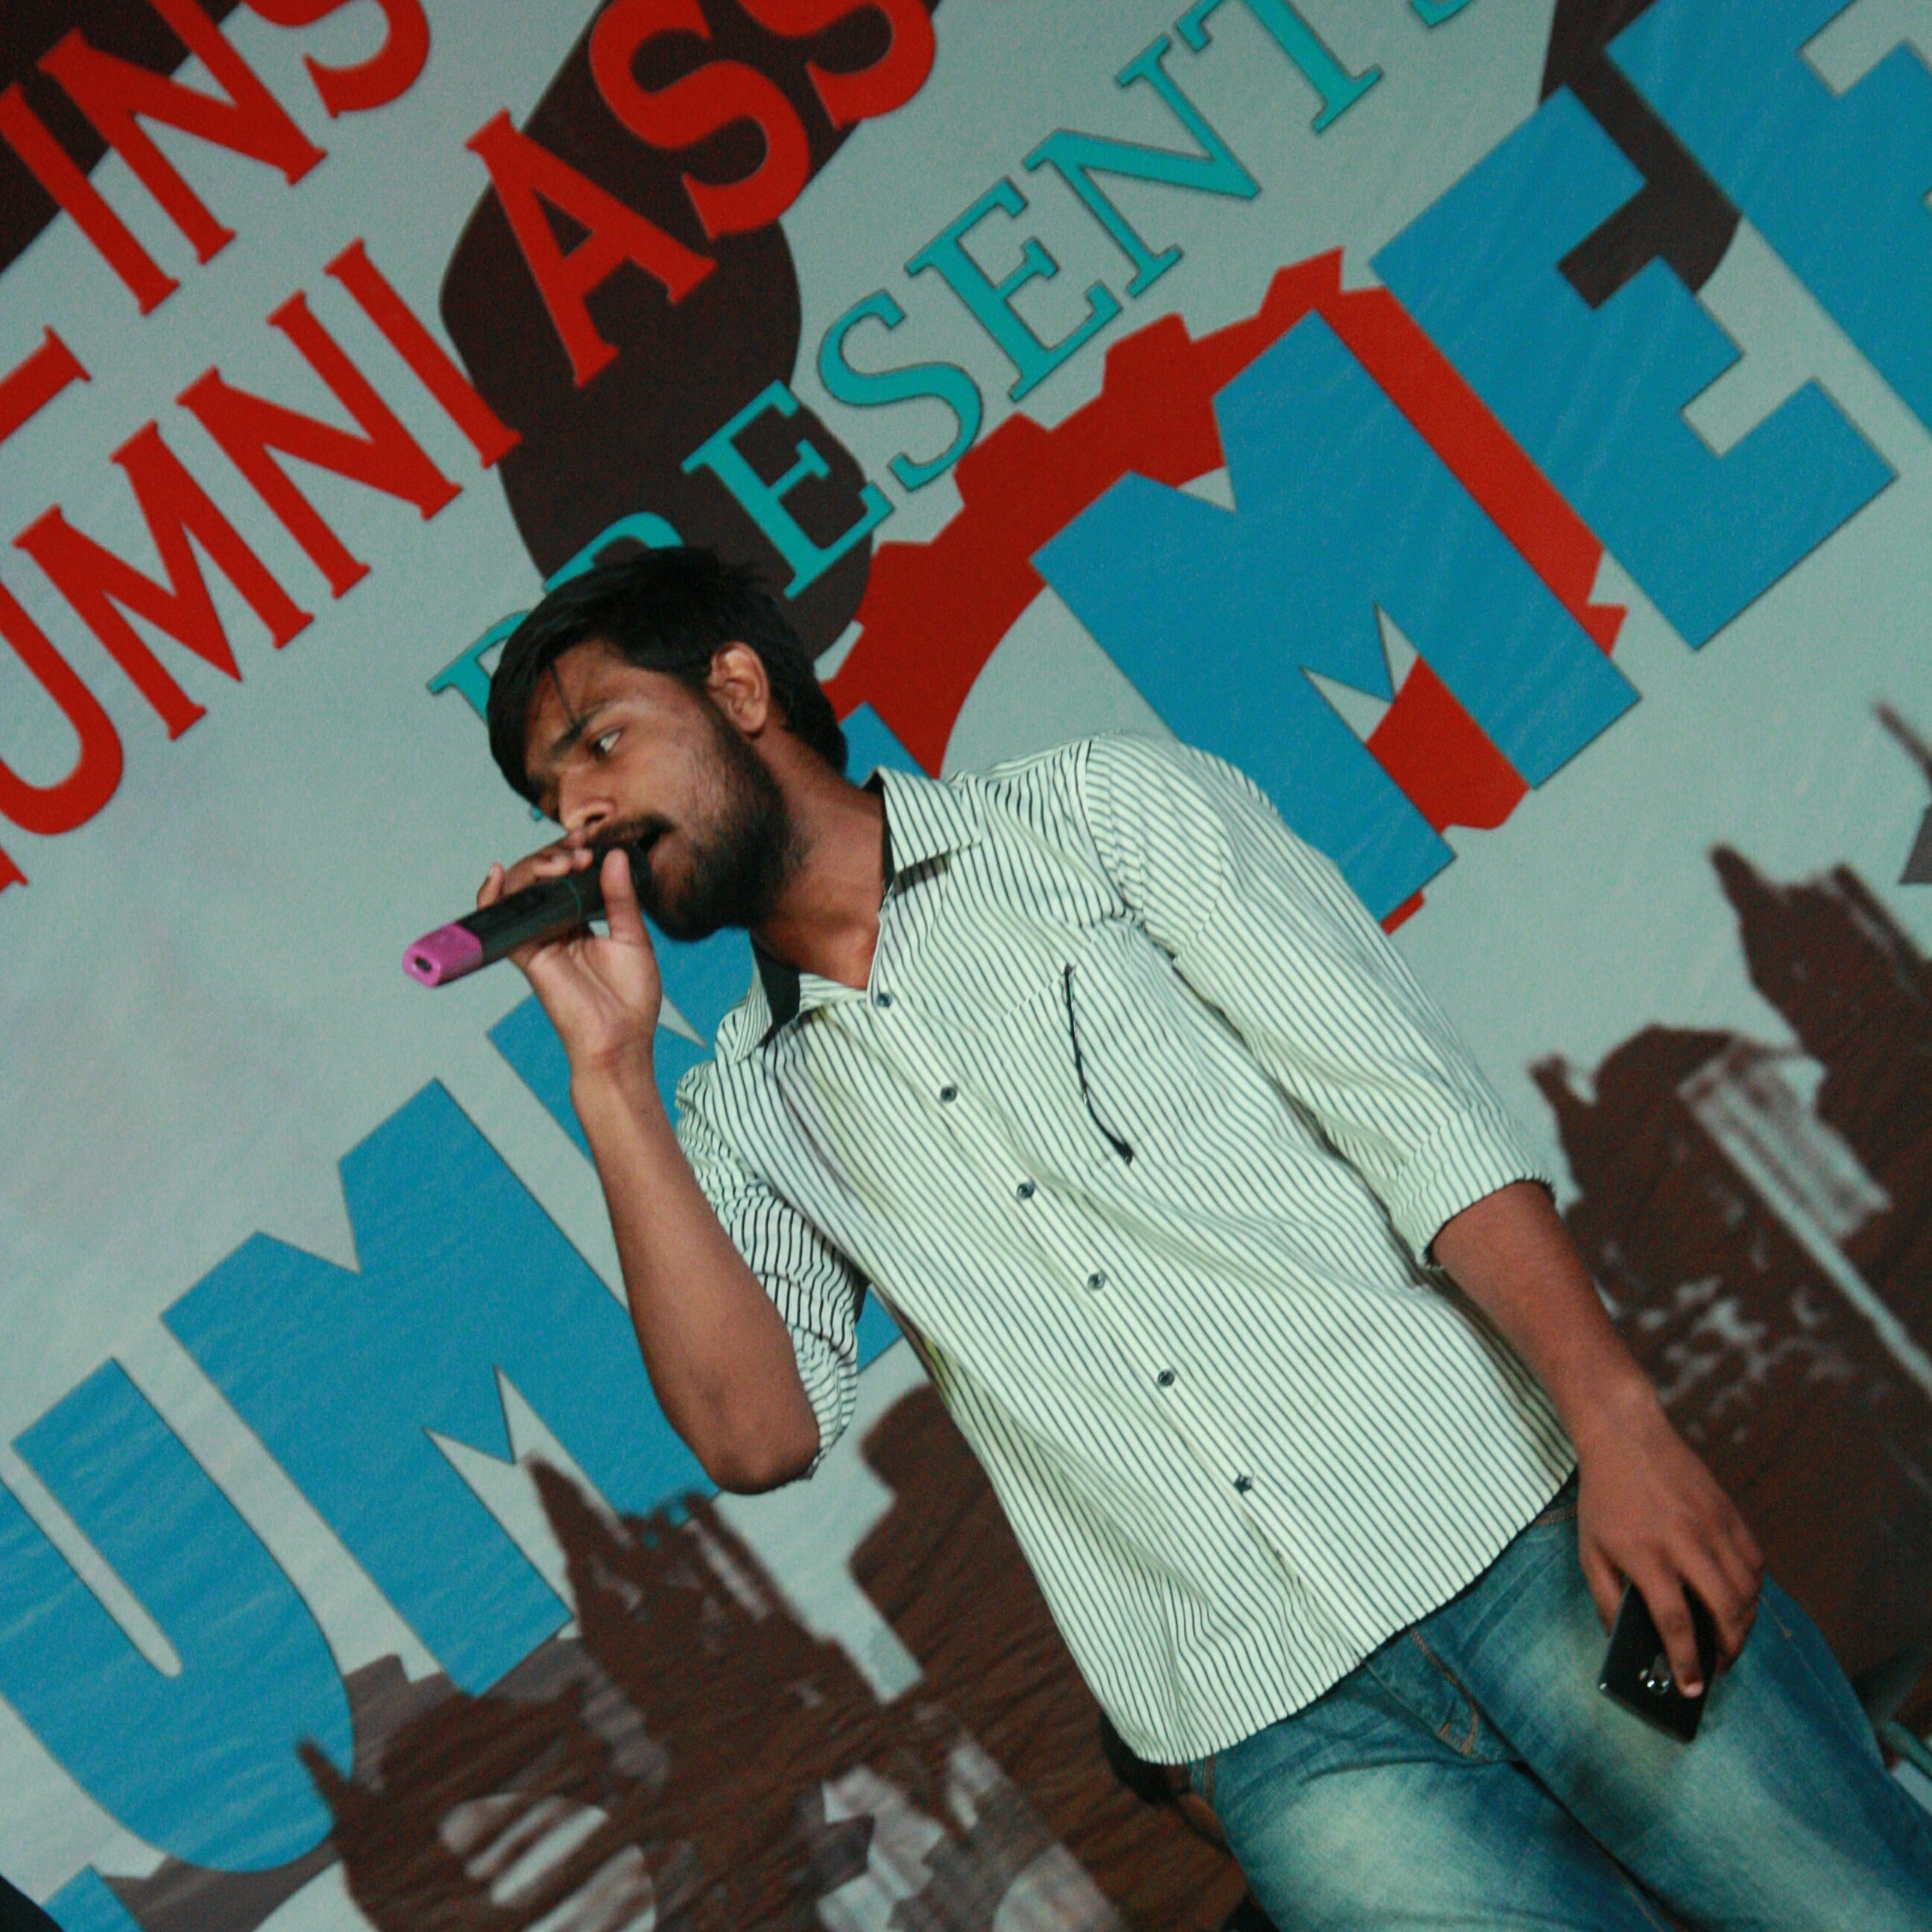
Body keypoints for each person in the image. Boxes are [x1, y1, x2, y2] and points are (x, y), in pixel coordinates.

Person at [478, 546, 1932, 1929]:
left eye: (602, 743)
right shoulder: (741, 1107)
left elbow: (1413, 1113)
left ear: (739, 690)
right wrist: (613, 1079)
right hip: (1295, 1744)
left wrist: (1622, 1425)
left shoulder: (1097, 816)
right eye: (550, 792)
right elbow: (756, 1436)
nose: (580, 812)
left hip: (1535, 1551)